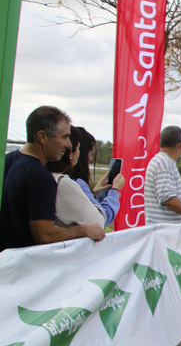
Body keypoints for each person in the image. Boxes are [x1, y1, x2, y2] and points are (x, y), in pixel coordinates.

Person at [1, 106, 108, 251]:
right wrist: (83, 230)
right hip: (22, 267)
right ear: (42, 137)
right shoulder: (41, 177)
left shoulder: (7, 161)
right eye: (64, 137)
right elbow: (44, 235)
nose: (68, 145)